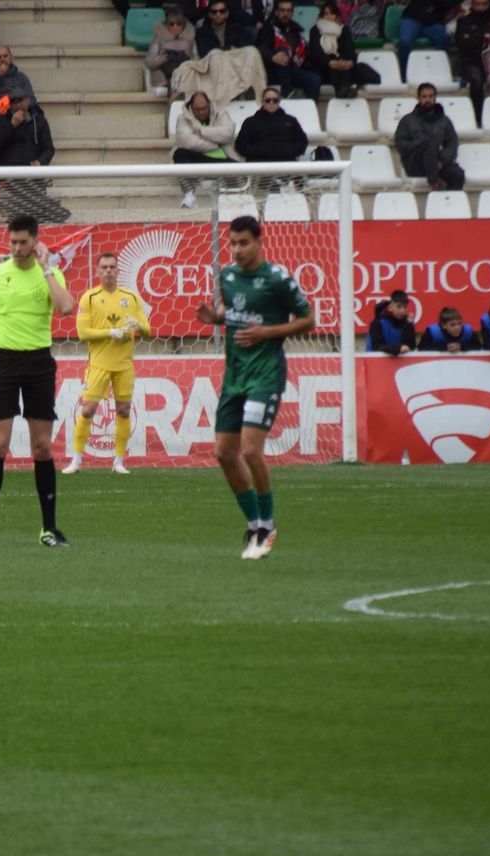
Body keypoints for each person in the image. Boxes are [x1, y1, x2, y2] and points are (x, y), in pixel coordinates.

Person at [195, 215, 313, 560]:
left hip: (265, 375)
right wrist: (215, 317)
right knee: (223, 453)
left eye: (243, 243)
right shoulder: (228, 276)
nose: (236, 249)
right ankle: (253, 524)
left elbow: (308, 320)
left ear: (259, 242)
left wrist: (266, 333)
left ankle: (269, 524)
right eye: (232, 243)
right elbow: (231, 310)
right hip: (234, 377)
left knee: (249, 451)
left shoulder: (277, 279)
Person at [0, 213, 76, 548]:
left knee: (42, 447)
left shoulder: (50, 275)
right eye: (12, 241)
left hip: (39, 363)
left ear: (35, 241)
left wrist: (46, 270)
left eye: (23, 242)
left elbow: (67, 308)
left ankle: (49, 530)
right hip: (4, 363)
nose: (16, 248)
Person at [65, 251, 150, 476]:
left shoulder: (130, 298)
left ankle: (119, 461)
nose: (109, 271)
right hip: (99, 364)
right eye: (104, 267)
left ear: (118, 270)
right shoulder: (89, 298)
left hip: (124, 364)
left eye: (112, 267)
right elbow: (83, 333)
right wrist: (111, 333)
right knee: (88, 409)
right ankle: (76, 461)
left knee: (123, 411)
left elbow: (148, 329)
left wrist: (138, 326)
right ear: (98, 271)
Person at [172, 90, 239, 209]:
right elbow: (186, 141)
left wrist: (202, 132)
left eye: (204, 108)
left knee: (238, 168)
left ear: (209, 105)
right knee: (179, 154)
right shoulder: (183, 118)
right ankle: (189, 195)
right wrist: (216, 143)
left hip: (223, 158)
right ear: (191, 107)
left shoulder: (221, 114)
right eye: (197, 109)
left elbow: (228, 133)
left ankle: (233, 200)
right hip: (198, 158)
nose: (202, 112)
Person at [395, 82, 464, 191]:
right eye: (424, 96)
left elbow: (452, 144)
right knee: (429, 144)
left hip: (440, 163)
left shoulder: (445, 121)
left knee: (457, 174)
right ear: (419, 98)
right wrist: (424, 145)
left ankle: (452, 205)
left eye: (431, 96)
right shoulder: (407, 121)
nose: (427, 100)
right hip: (416, 165)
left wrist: (441, 161)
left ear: (435, 98)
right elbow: (400, 144)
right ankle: (434, 184)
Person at [306, 4, 377, 100]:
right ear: (321, 16)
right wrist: (329, 62)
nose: (329, 16)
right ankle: (343, 89)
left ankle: (343, 89)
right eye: (326, 14)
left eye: (332, 14)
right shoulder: (315, 30)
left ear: (336, 15)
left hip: (342, 66)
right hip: (324, 67)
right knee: (333, 64)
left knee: (346, 66)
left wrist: (346, 62)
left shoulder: (344, 30)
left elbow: (349, 49)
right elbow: (315, 52)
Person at [235, 86, 307, 175]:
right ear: (262, 102)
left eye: (275, 100)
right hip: (258, 168)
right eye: (268, 100)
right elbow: (241, 145)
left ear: (279, 102)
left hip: (286, 166)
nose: (271, 103)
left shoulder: (291, 120)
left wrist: (287, 150)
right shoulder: (250, 122)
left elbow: (302, 142)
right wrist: (259, 151)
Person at [258, 0, 318, 101]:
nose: (285, 14)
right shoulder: (268, 28)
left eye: (289, 11)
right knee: (282, 50)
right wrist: (273, 57)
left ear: (292, 12)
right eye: (282, 10)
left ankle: (309, 112)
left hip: (292, 70)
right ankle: (287, 93)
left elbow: (304, 54)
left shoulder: (296, 30)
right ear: (276, 12)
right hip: (272, 71)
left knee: (315, 80)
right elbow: (261, 47)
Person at [145, 7, 197, 97]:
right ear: (166, 25)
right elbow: (149, 62)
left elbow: (197, 60)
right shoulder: (158, 39)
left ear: (183, 26)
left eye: (178, 24)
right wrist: (165, 57)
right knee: (175, 83)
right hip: (163, 75)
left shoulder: (190, 40)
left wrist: (186, 58)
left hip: (185, 73)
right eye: (171, 24)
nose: (175, 27)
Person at [395, 0, 449, 77]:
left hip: (432, 23)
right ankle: (405, 76)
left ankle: (435, 72)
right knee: (405, 41)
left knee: (443, 38)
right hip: (413, 18)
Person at [366, 289, 416, 354]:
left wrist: (409, 326)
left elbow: (411, 346)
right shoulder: (378, 323)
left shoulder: (407, 323)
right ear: (390, 307)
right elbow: (377, 347)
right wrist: (397, 349)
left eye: (405, 307)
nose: (402, 310)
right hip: (374, 361)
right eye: (399, 307)